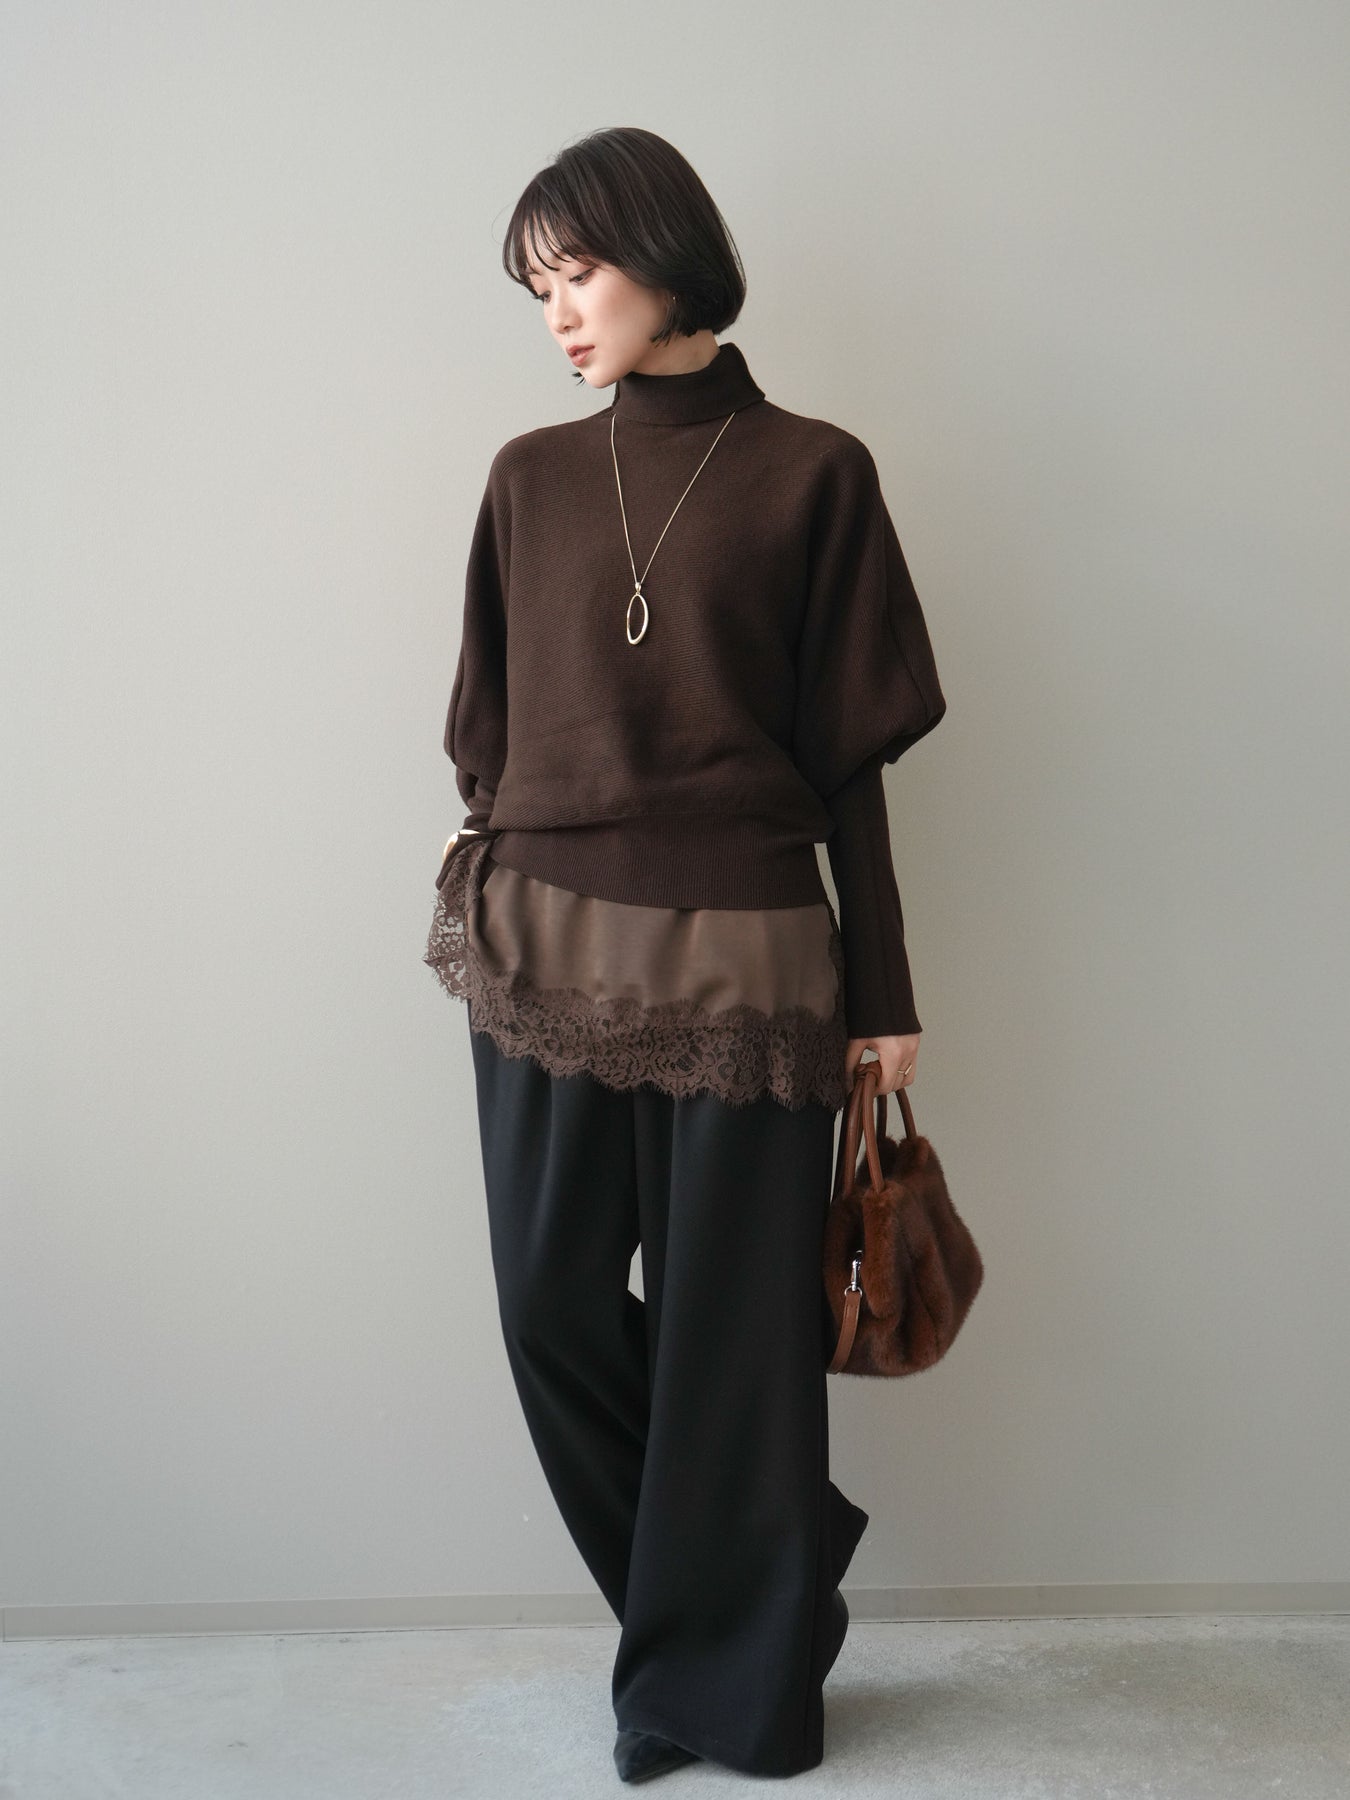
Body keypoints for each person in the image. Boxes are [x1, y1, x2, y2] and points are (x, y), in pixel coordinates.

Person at [424, 126, 946, 1783]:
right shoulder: (528, 477)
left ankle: (723, 1687)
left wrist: (885, 996)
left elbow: (848, 764)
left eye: (576, 273)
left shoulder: (815, 473)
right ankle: (775, 1555)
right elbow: (486, 741)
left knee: (736, 1336)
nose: (557, 314)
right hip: (542, 947)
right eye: (536, 288)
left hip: (749, 962)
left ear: (662, 257)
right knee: (550, 1306)